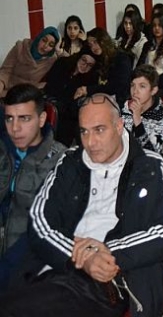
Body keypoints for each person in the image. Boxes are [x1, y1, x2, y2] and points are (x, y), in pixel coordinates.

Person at [1, 93, 163, 316]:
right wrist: (81, 255)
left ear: (119, 126)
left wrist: (107, 252)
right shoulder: (70, 161)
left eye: (99, 130)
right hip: (60, 264)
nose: (90, 141)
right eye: (84, 131)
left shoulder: (150, 166)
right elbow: (40, 221)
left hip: (111, 276)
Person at [0, 84, 67, 290]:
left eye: (24, 118)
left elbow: (51, 230)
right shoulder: (3, 150)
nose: (15, 128)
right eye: (9, 118)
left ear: (42, 119)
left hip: (25, 261)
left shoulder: (60, 162)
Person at [121, 64, 163, 154]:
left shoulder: (162, 115)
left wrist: (137, 121)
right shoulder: (124, 108)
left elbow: (153, 154)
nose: (135, 91)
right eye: (133, 85)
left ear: (153, 90)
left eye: (142, 86)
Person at [0, 26, 60, 98]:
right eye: (44, 40)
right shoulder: (20, 48)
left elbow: (68, 64)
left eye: (51, 45)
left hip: (26, 94)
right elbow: (5, 72)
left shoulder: (51, 59)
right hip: (7, 90)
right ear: (39, 38)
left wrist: (58, 50)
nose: (45, 46)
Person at [82, 27, 133, 107]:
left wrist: (88, 90)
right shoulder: (98, 60)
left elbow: (118, 86)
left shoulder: (121, 58)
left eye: (95, 42)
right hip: (100, 101)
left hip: (119, 103)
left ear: (104, 40)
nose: (93, 47)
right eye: (90, 45)